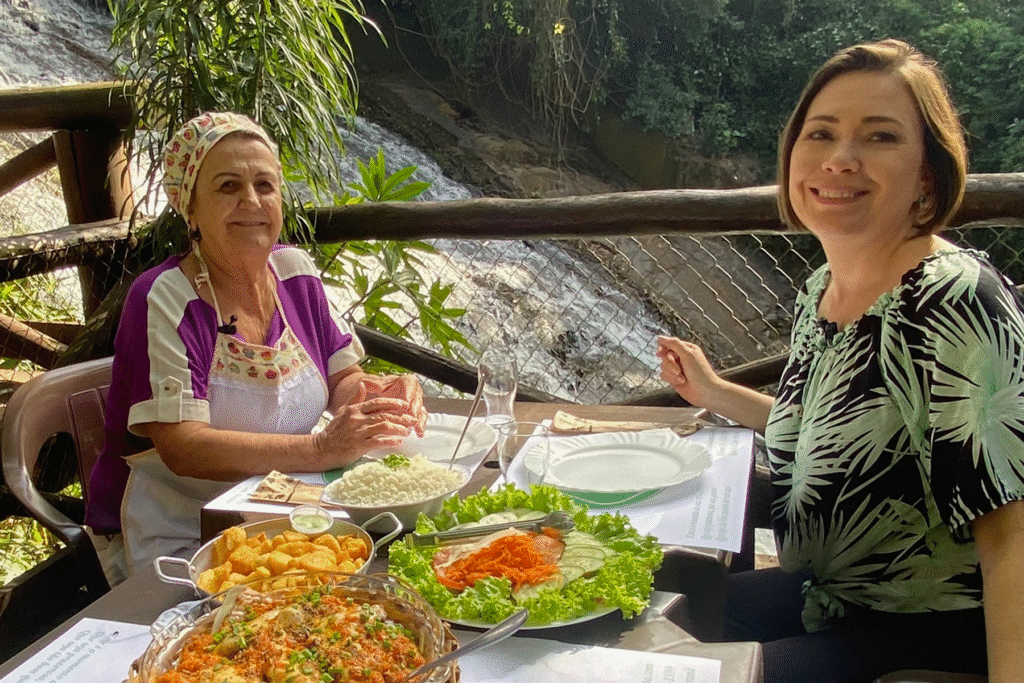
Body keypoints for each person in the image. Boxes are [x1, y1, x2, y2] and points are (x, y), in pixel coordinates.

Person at [658, 39, 1024, 683]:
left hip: (925, 632)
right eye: (820, 133)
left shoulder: (951, 302)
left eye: (880, 138)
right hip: (828, 595)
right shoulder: (822, 290)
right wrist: (716, 392)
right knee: (641, 614)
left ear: (928, 175)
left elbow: (1010, 529)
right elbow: (825, 429)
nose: (840, 159)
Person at [84, 112, 427, 577]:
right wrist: (321, 450)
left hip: (286, 519)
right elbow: (183, 447)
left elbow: (342, 376)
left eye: (265, 185)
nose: (251, 201)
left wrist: (374, 400)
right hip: (179, 537)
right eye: (228, 186)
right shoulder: (165, 297)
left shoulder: (295, 273)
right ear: (190, 208)